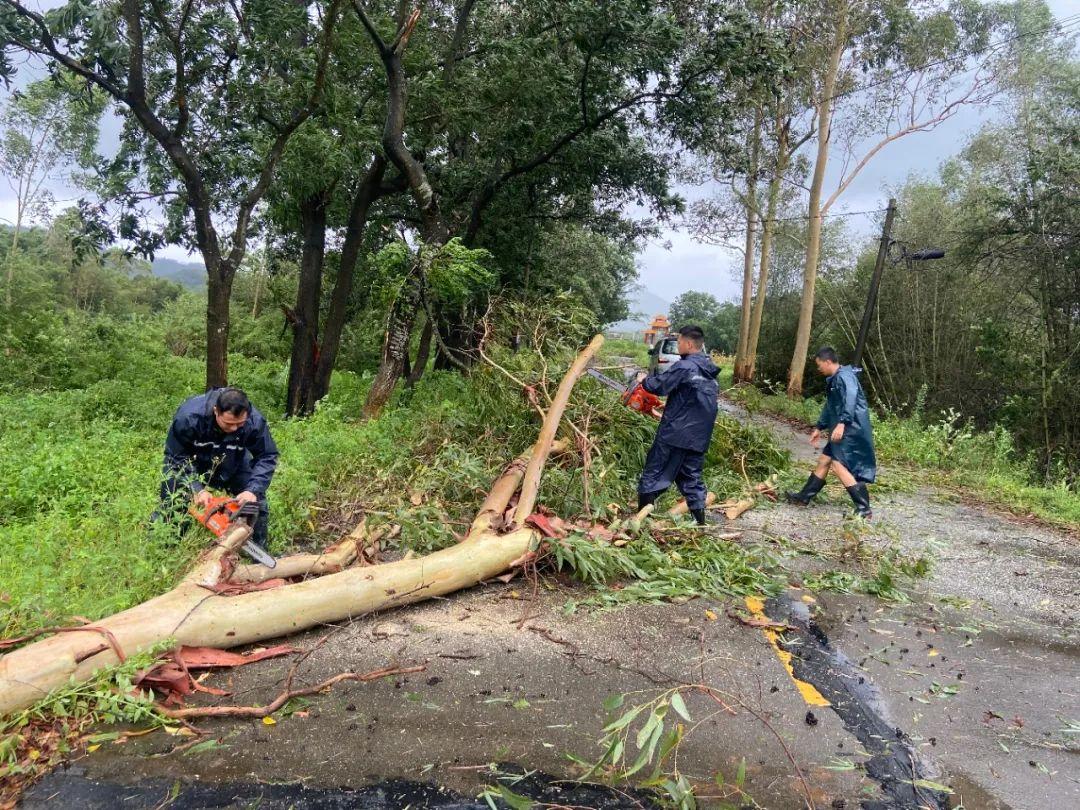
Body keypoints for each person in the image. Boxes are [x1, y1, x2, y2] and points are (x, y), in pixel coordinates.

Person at [154, 387, 279, 548]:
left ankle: (257, 550)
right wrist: (197, 488)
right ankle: (166, 548)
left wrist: (252, 490)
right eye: (228, 423)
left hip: (234, 459)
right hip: (193, 461)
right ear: (216, 411)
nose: (234, 428)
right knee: (173, 500)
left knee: (256, 502)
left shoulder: (254, 421)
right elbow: (176, 456)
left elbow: (267, 455)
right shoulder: (189, 418)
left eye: (239, 424)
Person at [636, 325, 720, 525]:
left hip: (675, 434)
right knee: (691, 478)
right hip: (699, 436)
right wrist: (673, 403)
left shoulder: (685, 366)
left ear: (689, 344)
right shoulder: (709, 370)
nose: (678, 345)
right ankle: (700, 524)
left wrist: (643, 380)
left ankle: (640, 521)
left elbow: (659, 385)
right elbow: (697, 398)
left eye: (680, 341)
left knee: (653, 472)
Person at [786, 347, 876, 518]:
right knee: (824, 460)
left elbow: (850, 398)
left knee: (837, 464)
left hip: (851, 429)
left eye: (819, 365)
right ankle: (803, 498)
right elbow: (830, 406)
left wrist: (843, 423)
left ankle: (864, 508)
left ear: (828, 362)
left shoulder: (845, 377)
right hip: (842, 427)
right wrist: (819, 427)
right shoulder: (834, 379)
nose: (818, 368)